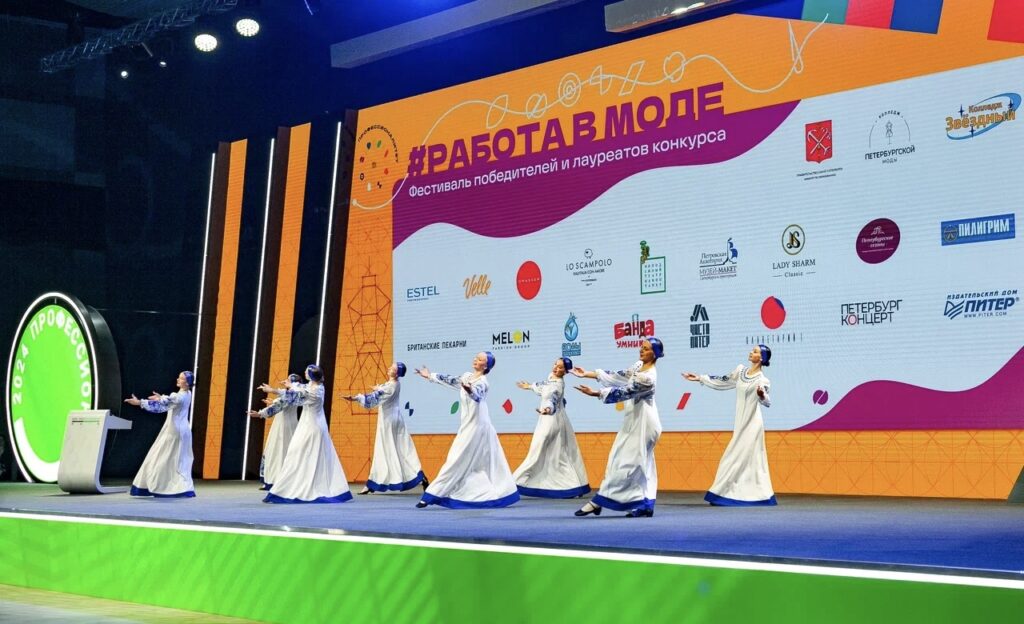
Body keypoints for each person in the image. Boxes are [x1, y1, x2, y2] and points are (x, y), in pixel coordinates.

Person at [572, 338, 664, 518]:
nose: (641, 350)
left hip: (644, 424)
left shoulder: (648, 378)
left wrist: (596, 393)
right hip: (634, 420)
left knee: (628, 463)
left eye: (646, 349)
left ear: (655, 354)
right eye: (641, 347)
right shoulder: (638, 366)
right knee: (638, 463)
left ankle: (599, 501)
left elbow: (624, 392)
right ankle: (645, 504)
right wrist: (587, 374)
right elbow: (619, 375)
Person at [413, 352, 519, 509]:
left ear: (486, 365)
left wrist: (470, 391)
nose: (476, 359)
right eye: (476, 357)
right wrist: (430, 376)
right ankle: (471, 492)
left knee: (456, 458)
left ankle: (431, 494)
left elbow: (477, 396)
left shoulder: (483, 382)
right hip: (468, 424)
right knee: (475, 463)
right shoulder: (467, 376)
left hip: (478, 425)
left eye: (480, 359)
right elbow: (451, 380)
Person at [683, 344, 777, 506]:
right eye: (752, 350)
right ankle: (741, 494)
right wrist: (700, 378)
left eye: (755, 351)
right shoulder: (740, 371)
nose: (751, 352)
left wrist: (762, 394)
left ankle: (723, 494)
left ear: (761, 358)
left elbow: (767, 402)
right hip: (740, 422)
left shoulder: (763, 380)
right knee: (742, 459)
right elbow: (723, 381)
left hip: (752, 424)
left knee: (734, 458)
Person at [259, 364, 352, 504]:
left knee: (297, 455)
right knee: (304, 456)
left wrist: (274, 390)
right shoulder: (314, 386)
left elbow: (296, 395)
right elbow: (301, 389)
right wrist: (288, 386)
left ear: (312, 376)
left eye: (307, 371)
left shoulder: (314, 392)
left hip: (311, 427)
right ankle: (295, 484)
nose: (305, 372)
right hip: (311, 425)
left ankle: (291, 488)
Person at [342, 362, 427, 494]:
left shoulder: (391, 386)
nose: (389, 368)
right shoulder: (394, 384)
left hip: (389, 422)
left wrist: (356, 398)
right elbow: (383, 390)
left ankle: (373, 483)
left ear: (397, 373)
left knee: (384, 450)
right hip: (394, 419)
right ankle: (419, 476)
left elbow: (374, 398)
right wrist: (378, 388)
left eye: (392, 368)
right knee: (401, 450)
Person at [512, 357, 590, 498]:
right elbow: (543, 387)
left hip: (551, 420)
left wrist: (547, 409)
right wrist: (529, 386)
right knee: (557, 454)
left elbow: (551, 399)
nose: (555, 368)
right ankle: (573, 486)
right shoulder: (551, 379)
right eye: (555, 364)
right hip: (549, 420)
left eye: (560, 367)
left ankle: (515, 483)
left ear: (565, 371)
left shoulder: (556, 386)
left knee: (539, 452)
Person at [124, 371, 196, 498]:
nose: (178, 379)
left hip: (175, 432)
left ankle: (168, 487)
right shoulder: (187, 393)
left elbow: (162, 406)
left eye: (181, 378)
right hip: (181, 430)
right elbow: (168, 402)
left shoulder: (180, 396)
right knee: (176, 460)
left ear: (187, 383)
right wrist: (161, 398)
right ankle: (177, 486)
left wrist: (140, 402)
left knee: (163, 458)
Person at [248, 373, 302, 490]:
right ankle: (272, 479)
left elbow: (280, 405)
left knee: (281, 451)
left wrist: (260, 414)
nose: (285, 381)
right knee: (276, 451)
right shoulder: (291, 393)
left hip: (285, 426)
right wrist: (273, 402)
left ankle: (279, 481)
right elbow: (281, 402)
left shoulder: (292, 394)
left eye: (288, 380)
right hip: (282, 424)